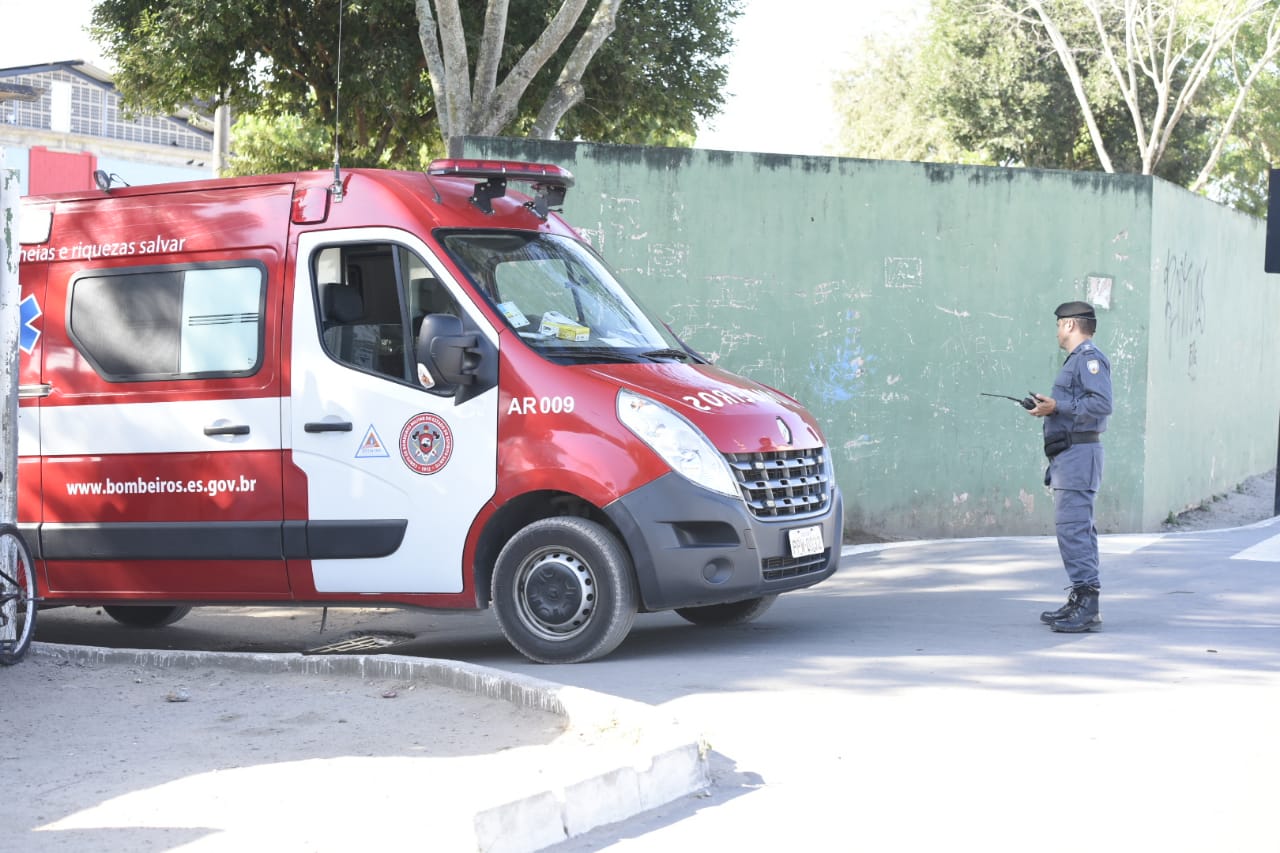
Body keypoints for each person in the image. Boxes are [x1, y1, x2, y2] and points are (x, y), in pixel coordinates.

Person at [1027, 301, 1112, 632]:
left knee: (1074, 528)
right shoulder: (1078, 360)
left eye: (1059, 324)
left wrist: (1057, 406)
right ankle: (1080, 598)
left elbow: (1102, 404)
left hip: (1079, 454)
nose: (1058, 331)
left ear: (1070, 326)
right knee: (1074, 529)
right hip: (1069, 455)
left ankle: (1088, 604)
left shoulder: (1090, 359)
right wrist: (1049, 408)